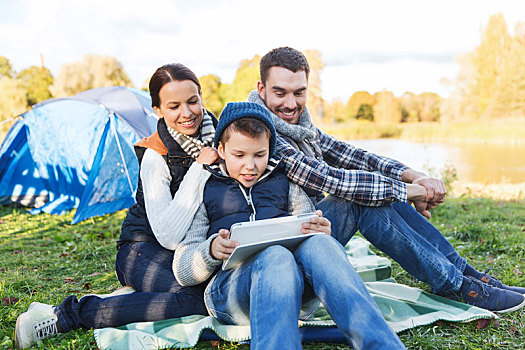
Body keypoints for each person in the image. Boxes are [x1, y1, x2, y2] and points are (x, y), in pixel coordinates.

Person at [243, 47, 525, 313]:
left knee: (378, 191)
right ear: (261, 89)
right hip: (280, 267)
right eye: (280, 93)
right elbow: (329, 180)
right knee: (358, 199)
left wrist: (414, 176)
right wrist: (409, 191)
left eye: (299, 93)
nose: (291, 104)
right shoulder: (259, 133)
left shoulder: (301, 127)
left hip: (308, 239)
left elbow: (354, 155)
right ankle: (457, 286)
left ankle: (468, 277)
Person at [15, 63, 222, 349]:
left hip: (192, 249)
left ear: (201, 98)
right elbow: (170, 236)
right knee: (198, 299)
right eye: (174, 106)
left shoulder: (220, 139)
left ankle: (129, 299)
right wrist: (200, 169)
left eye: (192, 101)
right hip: (142, 249)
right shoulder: (155, 156)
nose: (187, 113)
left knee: (220, 291)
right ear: (157, 110)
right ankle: (64, 315)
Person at [172, 101, 406, 349]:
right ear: (221, 149)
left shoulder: (285, 183)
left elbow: (308, 229)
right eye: (239, 155)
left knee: (321, 244)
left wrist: (320, 232)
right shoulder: (206, 187)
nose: (250, 166)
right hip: (231, 294)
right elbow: (183, 270)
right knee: (274, 254)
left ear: (270, 150)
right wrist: (211, 250)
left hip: (290, 291)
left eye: (259, 155)